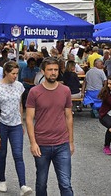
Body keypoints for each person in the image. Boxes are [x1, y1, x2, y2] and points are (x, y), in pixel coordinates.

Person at [26, 57, 74, 196]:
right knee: (41, 183)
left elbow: (69, 117)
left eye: (56, 70)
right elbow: (29, 119)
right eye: (50, 70)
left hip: (62, 144)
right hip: (41, 145)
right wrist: (33, 143)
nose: (53, 73)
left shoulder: (65, 91)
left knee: (65, 184)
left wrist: (71, 142)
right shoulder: (34, 92)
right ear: (43, 71)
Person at [0, 61, 32, 195]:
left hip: (15, 124)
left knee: (18, 155)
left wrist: (21, 122)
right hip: (2, 124)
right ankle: (2, 180)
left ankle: (23, 185)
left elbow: (20, 104)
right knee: (2, 154)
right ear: (6, 72)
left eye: (17, 73)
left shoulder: (19, 86)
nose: (15, 76)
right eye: (13, 73)